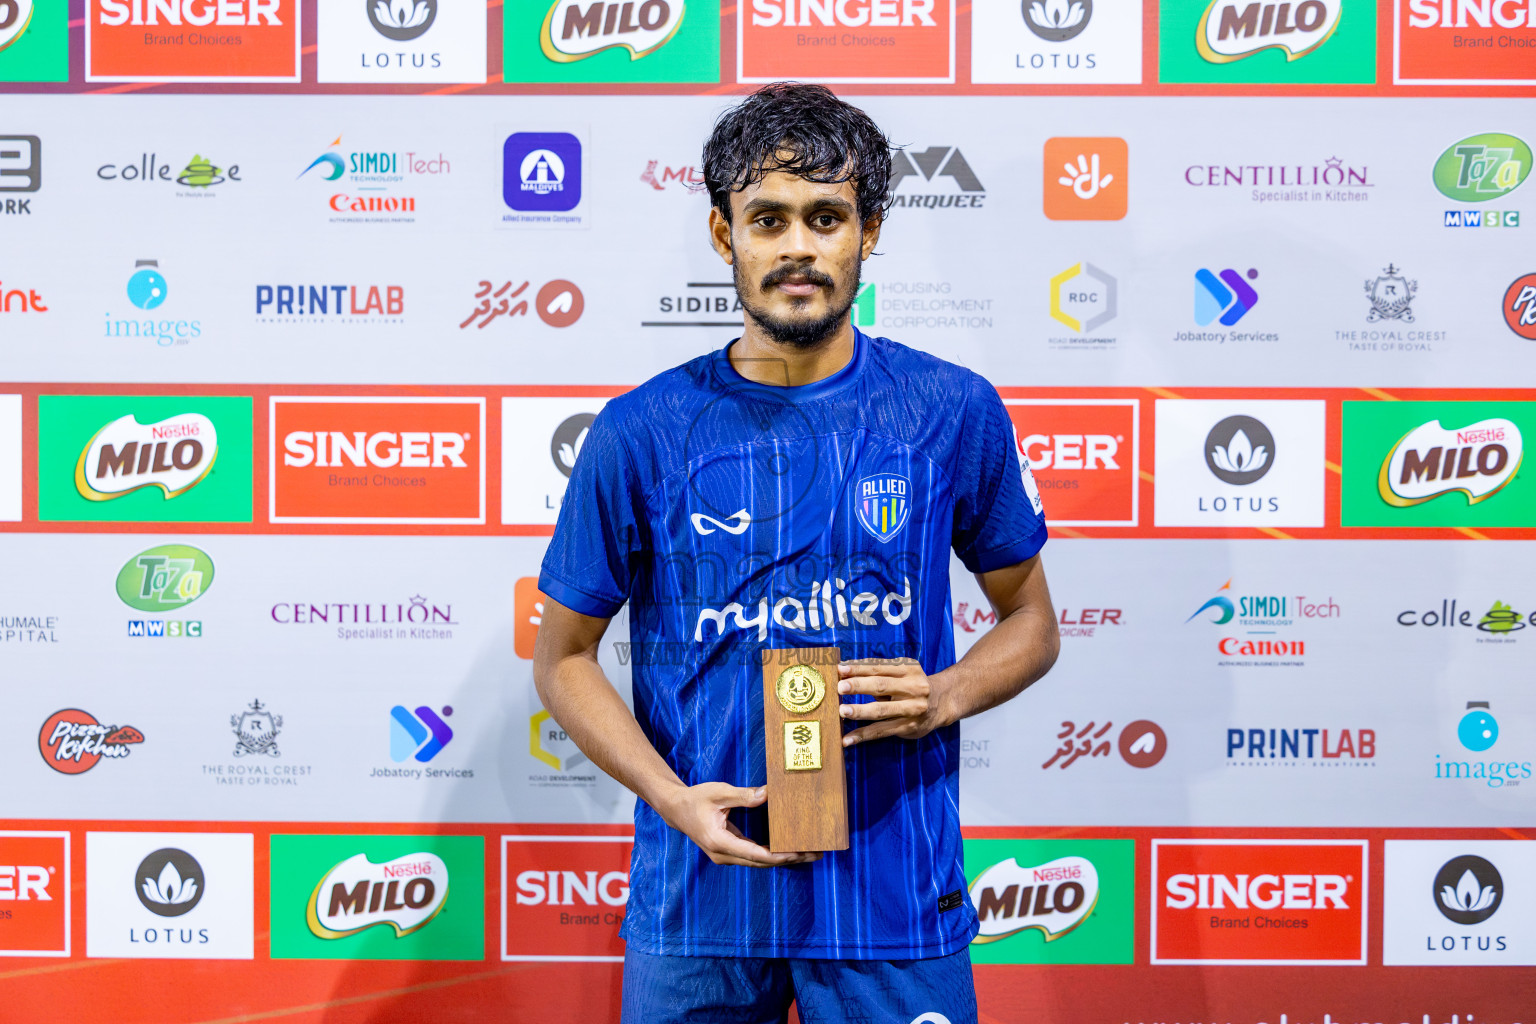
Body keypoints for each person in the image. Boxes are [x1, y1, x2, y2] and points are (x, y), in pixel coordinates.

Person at [532, 82, 1061, 1024]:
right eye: (767, 218)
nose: (799, 248)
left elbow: (1032, 620)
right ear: (722, 234)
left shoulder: (950, 410)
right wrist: (669, 798)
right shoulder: (641, 430)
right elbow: (563, 657)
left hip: (892, 902)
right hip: (702, 898)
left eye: (828, 216)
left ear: (870, 230)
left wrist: (947, 693)